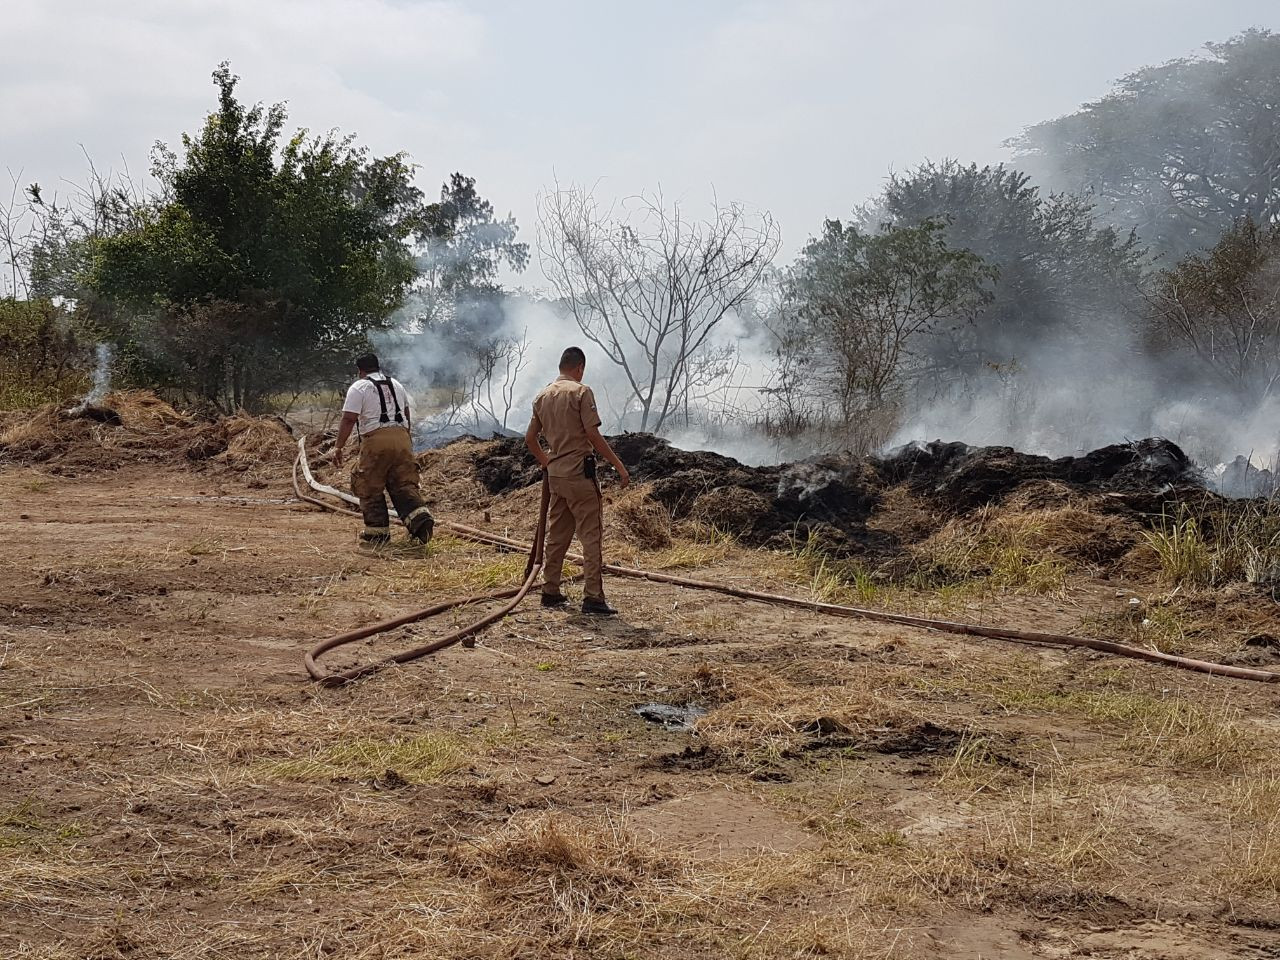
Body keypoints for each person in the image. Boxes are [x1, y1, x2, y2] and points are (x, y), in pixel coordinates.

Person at [525, 346, 631, 616]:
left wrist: (547, 461)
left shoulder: (541, 396)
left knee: (558, 535)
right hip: (580, 476)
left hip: (557, 478)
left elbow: (530, 440)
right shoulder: (581, 392)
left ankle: (550, 591)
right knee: (591, 536)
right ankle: (593, 597)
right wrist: (619, 466)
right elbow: (593, 436)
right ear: (579, 367)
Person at [333, 354, 435, 548]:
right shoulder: (396, 384)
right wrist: (406, 439)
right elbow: (406, 414)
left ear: (360, 371)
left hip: (376, 440)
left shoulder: (359, 387)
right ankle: (420, 520)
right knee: (404, 484)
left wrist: (338, 446)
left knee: (369, 485)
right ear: (378, 367)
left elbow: (348, 419)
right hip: (402, 438)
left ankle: (376, 533)